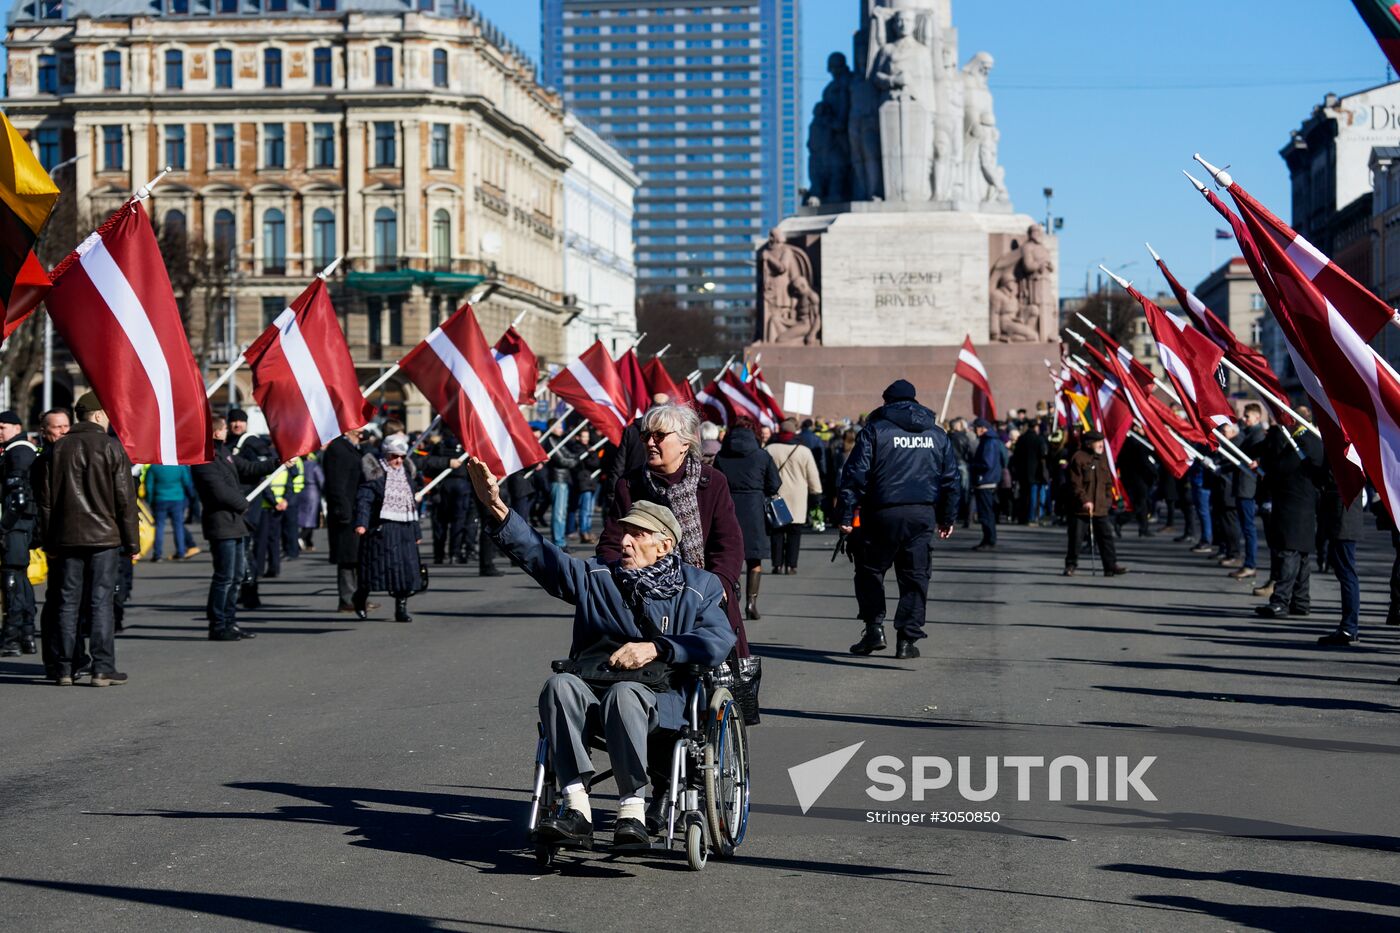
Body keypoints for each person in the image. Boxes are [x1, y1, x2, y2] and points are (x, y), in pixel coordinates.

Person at [467, 457, 734, 848]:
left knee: (626, 696)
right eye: (624, 532)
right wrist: (497, 507)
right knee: (559, 685)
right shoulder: (599, 577)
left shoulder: (699, 587)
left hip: (663, 697)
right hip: (595, 685)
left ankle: (632, 811)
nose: (624, 541)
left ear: (664, 545)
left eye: (637, 535)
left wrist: (658, 647)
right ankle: (576, 807)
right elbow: (543, 558)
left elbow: (717, 640)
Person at [597, 403, 749, 656]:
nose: (650, 443)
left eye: (659, 436)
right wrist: (624, 577)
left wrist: (719, 583)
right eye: (646, 436)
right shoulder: (630, 485)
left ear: (685, 443)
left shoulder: (712, 482)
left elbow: (729, 544)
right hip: (644, 600)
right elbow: (610, 544)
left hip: (703, 596)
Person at [838, 380, 960, 660]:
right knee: (915, 576)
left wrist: (846, 515)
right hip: (922, 514)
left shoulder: (875, 431)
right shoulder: (937, 434)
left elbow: (855, 475)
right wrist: (947, 517)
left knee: (870, 571)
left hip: (881, 513)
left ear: (886, 402)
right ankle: (907, 639)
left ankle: (874, 628)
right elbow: (952, 480)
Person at [36, 392, 138, 686]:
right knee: (100, 602)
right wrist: (132, 544)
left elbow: (46, 502)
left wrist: (49, 541)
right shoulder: (111, 447)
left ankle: (66, 667)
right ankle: (102, 666)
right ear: (96, 415)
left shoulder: (57, 449)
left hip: (66, 538)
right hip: (104, 538)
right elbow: (125, 501)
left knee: (67, 603)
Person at [192, 416, 257, 642]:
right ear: (216, 433)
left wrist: (277, 462)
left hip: (236, 523)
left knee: (237, 575)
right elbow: (217, 490)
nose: (226, 432)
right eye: (222, 429)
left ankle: (230, 621)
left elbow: (249, 468)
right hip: (221, 524)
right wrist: (243, 504)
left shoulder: (225, 453)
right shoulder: (203, 459)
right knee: (225, 576)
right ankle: (218, 624)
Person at [1255, 414, 1323, 619]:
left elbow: (1281, 469)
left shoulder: (1302, 442)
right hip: (1304, 506)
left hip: (1293, 507)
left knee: (1288, 554)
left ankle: (1280, 601)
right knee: (1300, 556)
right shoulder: (1314, 441)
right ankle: (1301, 601)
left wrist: (1264, 474)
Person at [712, 420, 779, 621]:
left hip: (728, 508)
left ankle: (733, 598)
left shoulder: (722, 456)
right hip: (754, 508)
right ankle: (751, 602)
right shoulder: (761, 455)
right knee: (754, 558)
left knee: (729, 557)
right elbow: (774, 484)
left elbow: (715, 482)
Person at [353, 434, 422, 622]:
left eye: (402, 456)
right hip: (381, 530)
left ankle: (401, 609)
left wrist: (416, 532)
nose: (398, 460)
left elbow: (411, 505)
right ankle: (360, 598)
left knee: (404, 572)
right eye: (394, 456)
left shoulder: (407, 476)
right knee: (374, 571)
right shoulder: (375, 475)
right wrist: (361, 523)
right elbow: (364, 500)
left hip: (404, 531)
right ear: (386, 455)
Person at [228, 408, 277, 608]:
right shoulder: (228, 444)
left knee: (246, 548)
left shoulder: (253, 444)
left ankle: (250, 592)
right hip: (233, 500)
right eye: (234, 421)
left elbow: (258, 470)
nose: (237, 424)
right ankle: (241, 590)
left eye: (241, 421)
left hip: (249, 502)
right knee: (237, 550)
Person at [0, 410, 38, 657]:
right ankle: (25, 634)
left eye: (3, 427)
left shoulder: (20, 450)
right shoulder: (15, 450)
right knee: (20, 578)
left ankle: (12, 637)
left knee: (12, 578)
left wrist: (3, 527)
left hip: (16, 525)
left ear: (16, 427)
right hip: (18, 524)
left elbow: (19, 497)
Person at [1063, 431, 1127, 577]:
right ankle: (1071, 565)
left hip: (1100, 507)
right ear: (1088, 443)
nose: (1101, 445)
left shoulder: (1102, 458)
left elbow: (1108, 482)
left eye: (1102, 442)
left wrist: (1108, 499)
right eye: (1097, 442)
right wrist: (1085, 501)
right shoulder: (1078, 458)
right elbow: (1075, 484)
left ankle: (1110, 566)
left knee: (1106, 537)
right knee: (1076, 538)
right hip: (1081, 508)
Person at [764, 418, 823, 576]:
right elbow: (812, 475)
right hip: (797, 497)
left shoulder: (769, 449)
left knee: (777, 532)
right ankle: (791, 565)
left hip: (776, 496)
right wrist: (816, 492)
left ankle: (776, 565)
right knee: (794, 533)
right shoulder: (803, 450)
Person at [1314, 456, 1364, 646]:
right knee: (1345, 572)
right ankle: (1348, 626)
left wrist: (1311, 466)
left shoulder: (1345, 451)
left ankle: (1349, 627)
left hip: (1343, 520)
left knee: (1347, 573)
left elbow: (1327, 478)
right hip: (1342, 519)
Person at [323, 426, 368, 611]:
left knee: (356, 556)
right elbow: (336, 484)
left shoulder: (352, 447)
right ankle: (348, 599)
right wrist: (343, 510)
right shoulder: (338, 449)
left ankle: (358, 598)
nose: (362, 433)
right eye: (358, 430)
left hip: (355, 510)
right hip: (345, 512)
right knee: (347, 557)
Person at [1230, 404, 1266, 581]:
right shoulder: (1249, 433)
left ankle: (1250, 564)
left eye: (1248, 417)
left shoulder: (1257, 436)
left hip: (1248, 487)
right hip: (1243, 486)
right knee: (1246, 527)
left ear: (1258, 418)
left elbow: (1255, 458)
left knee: (1249, 528)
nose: (1244, 420)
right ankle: (1248, 562)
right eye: (1244, 416)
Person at [142, 462, 198, 562]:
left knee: (159, 527)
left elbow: (149, 486)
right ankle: (181, 552)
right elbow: (186, 482)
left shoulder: (154, 467)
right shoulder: (179, 466)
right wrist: (191, 497)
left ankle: (157, 554)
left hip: (160, 499)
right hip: (177, 498)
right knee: (178, 526)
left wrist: (150, 501)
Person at [968, 418, 1005, 551]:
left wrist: (973, 466)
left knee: (985, 513)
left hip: (985, 481)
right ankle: (988, 539)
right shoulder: (991, 440)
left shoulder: (988, 441)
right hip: (988, 480)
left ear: (983, 428)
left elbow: (987, 463)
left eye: (976, 428)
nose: (974, 430)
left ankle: (989, 540)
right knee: (987, 512)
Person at [546, 424, 582, 548]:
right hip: (558, 479)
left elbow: (568, 454)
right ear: (552, 428)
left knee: (562, 512)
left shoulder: (559, 440)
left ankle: (560, 540)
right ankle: (558, 542)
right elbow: (561, 460)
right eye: (559, 427)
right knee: (558, 513)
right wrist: (576, 461)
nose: (561, 429)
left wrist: (577, 455)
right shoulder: (550, 440)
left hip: (564, 479)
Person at [570, 427, 601, 544]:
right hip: (584, 482)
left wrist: (592, 454)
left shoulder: (589, 448)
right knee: (584, 509)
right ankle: (584, 532)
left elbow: (596, 463)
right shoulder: (577, 448)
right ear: (578, 437)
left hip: (591, 482)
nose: (586, 439)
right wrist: (590, 454)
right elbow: (589, 462)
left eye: (587, 437)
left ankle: (587, 530)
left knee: (589, 510)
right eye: (583, 436)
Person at [298, 453, 324, 552]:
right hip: (312, 494)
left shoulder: (300, 464)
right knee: (311, 520)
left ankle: (309, 542)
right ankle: (301, 537)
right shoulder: (314, 466)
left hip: (301, 492)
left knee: (304, 519)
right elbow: (321, 481)